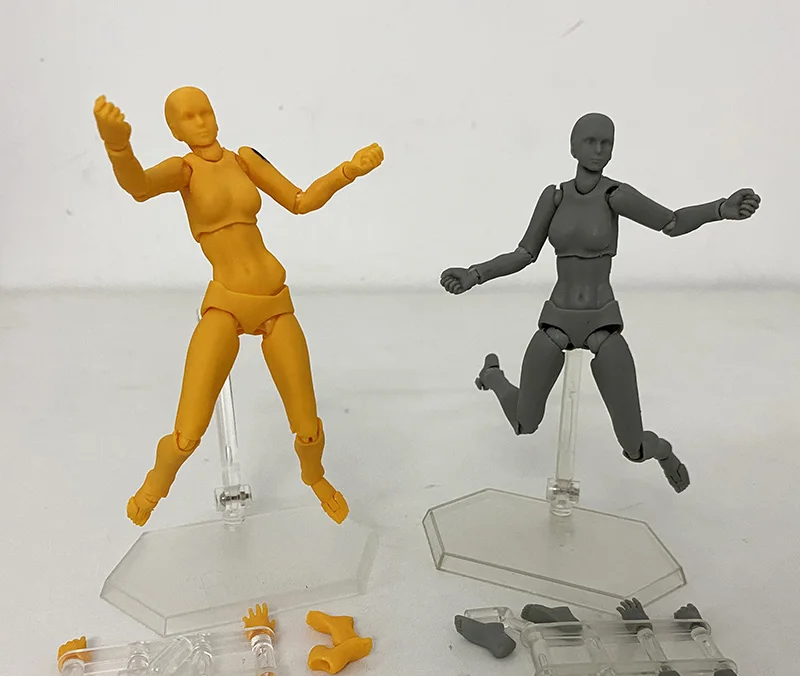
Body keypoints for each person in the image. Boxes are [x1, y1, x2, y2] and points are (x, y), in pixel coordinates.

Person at [94, 87, 383, 525]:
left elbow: (300, 201)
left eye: (205, 111)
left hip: (275, 302)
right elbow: (139, 186)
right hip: (226, 304)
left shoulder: (244, 159)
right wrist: (118, 146)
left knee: (307, 425)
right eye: (189, 117)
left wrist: (348, 171)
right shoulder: (184, 169)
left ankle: (315, 477)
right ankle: (156, 484)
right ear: (174, 129)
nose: (201, 122)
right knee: (188, 432)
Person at [441, 113, 760, 491]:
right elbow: (524, 253)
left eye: (606, 143)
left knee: (634, 446)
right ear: (573, 147)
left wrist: (719, 209)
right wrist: (474, 273)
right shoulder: (554, 196)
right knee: (524, 423)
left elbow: (671, 222)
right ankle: (493, 376)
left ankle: (663, 452)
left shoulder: (615, 195)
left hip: (602, 323)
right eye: (590, 142)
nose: (598, 150)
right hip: (557, 319)